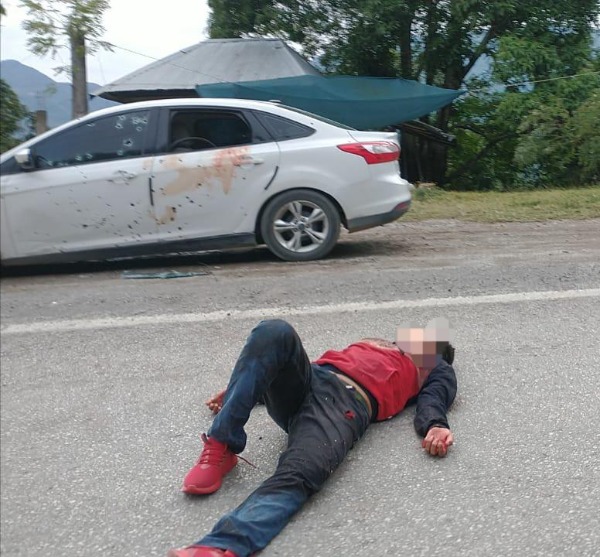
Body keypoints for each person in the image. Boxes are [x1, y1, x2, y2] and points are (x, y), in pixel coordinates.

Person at [168, 319, 457, 557]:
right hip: (312, 379)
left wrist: (435, 424)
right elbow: (283, 362)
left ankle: (221, 546)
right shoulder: (374, 342)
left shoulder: (433, 366)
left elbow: (435, 395)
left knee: (303, 469)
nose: (416, 338)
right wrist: (245, 389)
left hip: (345, 403)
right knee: (275, 331)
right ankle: (221, 445)